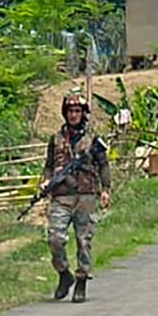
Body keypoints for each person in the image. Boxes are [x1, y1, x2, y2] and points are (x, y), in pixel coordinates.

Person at [41, 89, 112, 302]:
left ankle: (81, 280)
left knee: (84, 240)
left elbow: (103, 165)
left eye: (78, 111)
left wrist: (106, 189)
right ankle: (64, 274)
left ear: (83, 113)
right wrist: (45, 182)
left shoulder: (92, 140)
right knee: (55, 238)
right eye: (70, 111)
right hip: (61, 196)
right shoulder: (56, 139)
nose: (74, 115)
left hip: (86, 196)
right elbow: (48, 165)